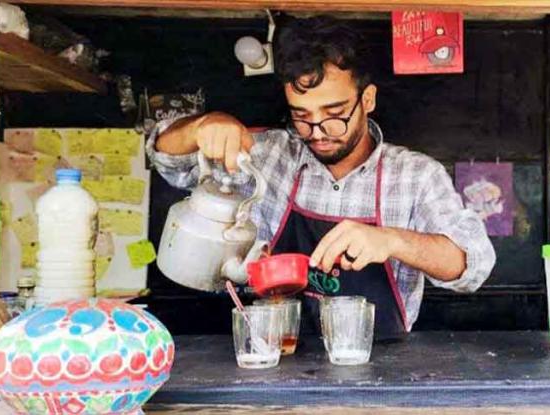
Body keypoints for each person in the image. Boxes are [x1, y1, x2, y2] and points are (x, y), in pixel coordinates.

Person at [147, 16, 495, 340]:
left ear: (367, 99)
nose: (318, 132)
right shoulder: (267, 156)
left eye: (335, 114)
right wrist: (201, 125)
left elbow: (472, 265)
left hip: (380, 371)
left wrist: (392, 241)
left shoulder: (416, 176)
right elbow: (165, 158)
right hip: (272, 355)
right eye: (302, 116)